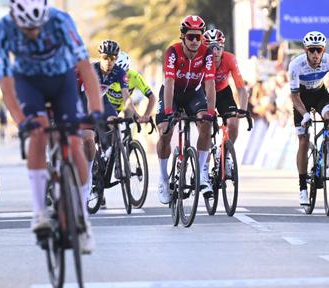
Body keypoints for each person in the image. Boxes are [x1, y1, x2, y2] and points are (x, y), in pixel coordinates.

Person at [0, 0, 103, 252]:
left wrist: (96, 110)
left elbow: (86, 70)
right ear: (15, 18)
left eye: (38, 25)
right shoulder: (1, 30)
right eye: (28, 28)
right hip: (29, 83)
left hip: (62, 81)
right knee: (38, 133)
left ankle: (82, 220)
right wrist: (21, 122)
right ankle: (39, 212)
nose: (34, 32)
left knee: (75, 144)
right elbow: (6, 84)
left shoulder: (61, 21)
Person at [155, 15, 216, 204]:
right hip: (172, 93)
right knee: (165, 132)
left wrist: (211, 112)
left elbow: (210, 83)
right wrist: (167, 110)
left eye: (199, 37)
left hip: (193, 94)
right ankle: (164, 179)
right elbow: (169, 82)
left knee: (206, 126)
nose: (195, 41)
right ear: (183, 36)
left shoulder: (207, 54)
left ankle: (199, 174)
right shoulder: (172, 52)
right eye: (191, 37)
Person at [288, 31, 329, 208]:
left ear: (323, 50)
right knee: (303, 140)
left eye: (319, 50)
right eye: (312, 50)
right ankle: (302, 187)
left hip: (320, 94)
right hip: (301, 99)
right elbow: (294, 96)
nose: (315, 54)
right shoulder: (295, 65)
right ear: (305, 50)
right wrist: (306, 115)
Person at [79, 39, 131, 207]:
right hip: (82, 99)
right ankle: (87, 183)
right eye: (106, 57)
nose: (109, 61)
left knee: (115, 121)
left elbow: (126, 96)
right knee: (88, 137)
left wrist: (133, 115)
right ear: (100, 57)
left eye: (113, 58)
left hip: (102, 100)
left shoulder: (119, 71)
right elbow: (88, 97)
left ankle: (111, 155)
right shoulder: (92, 70)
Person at [203, 29, 249, 144]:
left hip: (223, 93)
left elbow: (241, 87)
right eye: (211, 48)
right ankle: (206, 153)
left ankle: (226, 154)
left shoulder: (230, 59)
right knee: (205, 127)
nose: (215, 52)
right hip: (204, 94)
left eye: (219, 47)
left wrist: (243, 108)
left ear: (223, 47)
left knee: (233, 124)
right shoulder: (200, 61)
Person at [106, 51, 156, 123]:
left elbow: (152, 97)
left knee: (131, 117)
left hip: (126, 106)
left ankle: (127, 133)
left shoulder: (134, 77)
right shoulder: (106, 75)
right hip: (108, 106)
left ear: (126, 69)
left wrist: (146, 115)